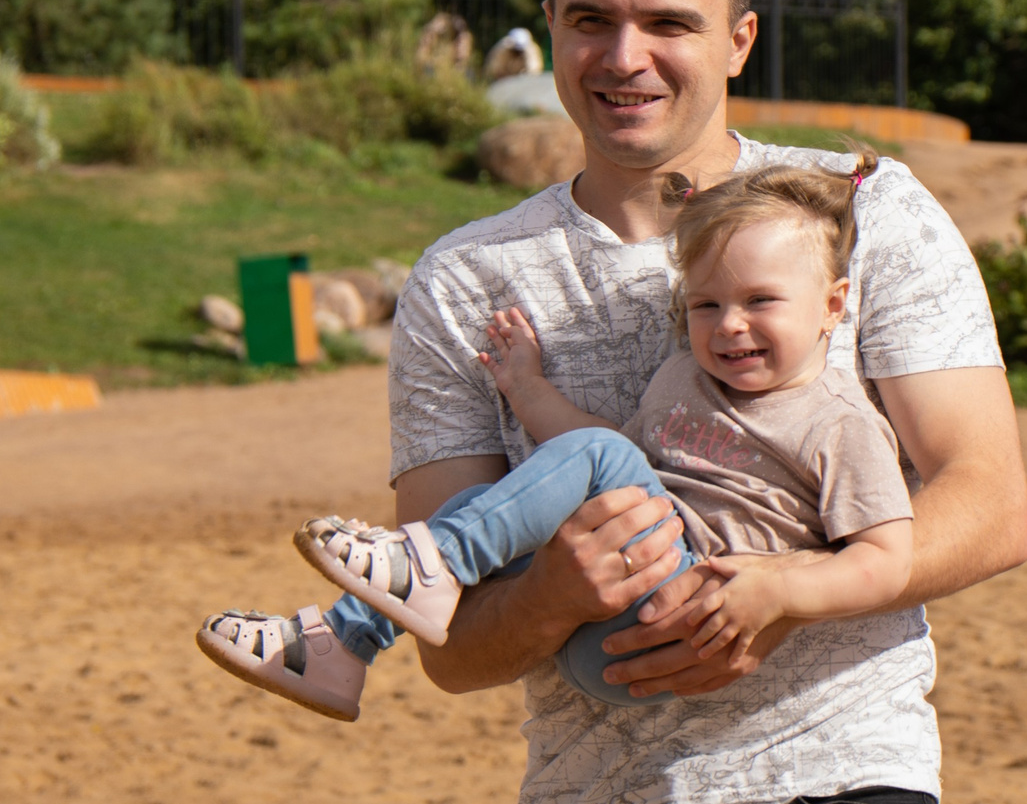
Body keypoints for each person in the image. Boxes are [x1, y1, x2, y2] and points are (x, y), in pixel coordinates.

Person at [195, 0, 1027, 804]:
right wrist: (556, 596)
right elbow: (459, 648)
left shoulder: (859, 214)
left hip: (832, 803)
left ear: (739, 38)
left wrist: (785, 593)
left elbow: (990, 504)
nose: (622, 55)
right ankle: (337, 639)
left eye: (667, 22)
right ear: (551, 28)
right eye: (589, 18)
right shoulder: (467, 282)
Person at [261, 155, 916, 707]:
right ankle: (338, 646)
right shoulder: (683, 378)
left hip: (680, 618)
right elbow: (608, 456)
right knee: (476, 512)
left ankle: (421, 571)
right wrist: (528, 390)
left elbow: (887, 559)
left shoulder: (841, 423)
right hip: (591, 624)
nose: (729, 325)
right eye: (705, 304)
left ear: (834, 304)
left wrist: (781, 589)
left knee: (477, 529)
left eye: (760, 301)